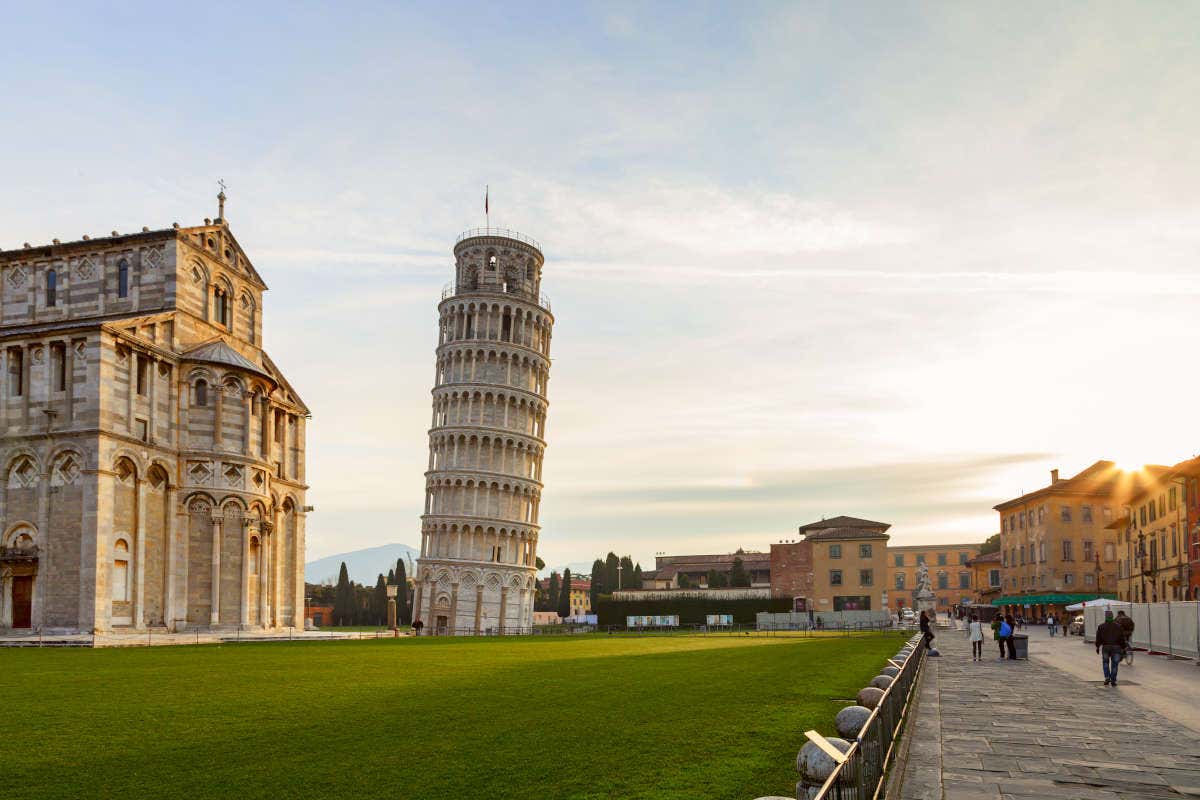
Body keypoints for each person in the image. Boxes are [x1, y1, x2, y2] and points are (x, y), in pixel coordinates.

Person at [1095, 610, 1127, 686]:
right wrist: (1123, 647)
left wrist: (1097, 646)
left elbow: (1098, 638)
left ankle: (1107, 677)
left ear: (1105, 617)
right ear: (1112, 617)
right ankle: (1113, 680)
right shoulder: (1118, 626)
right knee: (1115, 664)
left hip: (1106, 647)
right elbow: (1121, 638)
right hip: (1116, 647)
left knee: (1105, 662)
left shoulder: (1101, 626)